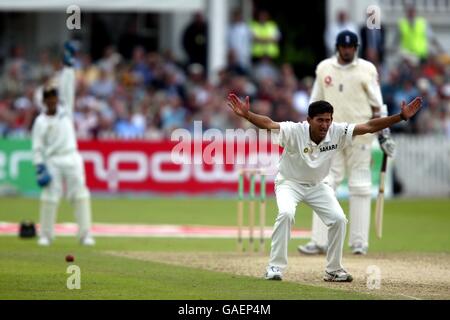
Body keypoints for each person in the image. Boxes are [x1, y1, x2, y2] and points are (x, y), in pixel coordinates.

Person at [227, 93, 422, 281]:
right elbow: (269, 124)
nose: (325, 125)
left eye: (328, 120)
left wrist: (400, 117)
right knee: (286, 213)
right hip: (289, 183)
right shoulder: (295, 130)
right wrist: (247, 115)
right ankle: (274, 267)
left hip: (317, 185)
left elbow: (369, 126)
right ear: (309, 120)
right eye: (320, 120)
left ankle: (333, 270)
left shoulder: (337, 131)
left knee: (338, 220)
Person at [298, 30, 395, 256]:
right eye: (344, 47)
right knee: (324, 183)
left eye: (351, 47)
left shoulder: (367, 69)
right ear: (338, 47)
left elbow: (378, 105)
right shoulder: (324, 68)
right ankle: (319, 241)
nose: (348, 50)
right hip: (329, 134)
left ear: (356, 48)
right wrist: (309, 131)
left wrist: (385, 133)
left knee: (360, 185)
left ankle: (359, 242)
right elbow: (314, 102)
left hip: (360, 132)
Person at [31, 42, 95, 246]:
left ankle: (85, 235)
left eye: (54, 98)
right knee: (50, 197)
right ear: (44, 101)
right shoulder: (41, 122)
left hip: (72, 157)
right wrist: (39, 166)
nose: (52, 102)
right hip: (53, 160)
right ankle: (46, 235)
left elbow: (68, 88)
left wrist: (68, 67)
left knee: (80, 194)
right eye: (48, 99)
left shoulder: (65, 110)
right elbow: (37, 147)